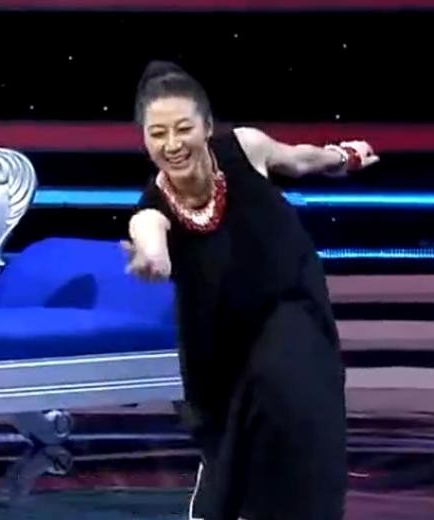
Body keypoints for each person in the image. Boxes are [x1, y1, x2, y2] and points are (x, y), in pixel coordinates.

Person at [123, 61, 379, 520]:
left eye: (183, 128)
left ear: (206, 126)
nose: (172, 144)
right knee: (239, 447)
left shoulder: (244, 147)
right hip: (220, 344)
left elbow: (299, 159)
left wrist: (342, 157)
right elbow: (151, 241)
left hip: (292, 305)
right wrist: (153, 260)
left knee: (299, 405)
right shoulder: (150, 210)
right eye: (157, 134)